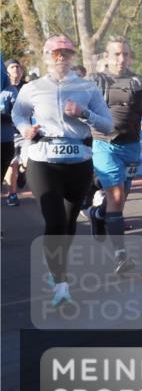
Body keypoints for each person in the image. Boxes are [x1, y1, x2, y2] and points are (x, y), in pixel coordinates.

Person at [12, 36, 113, 307]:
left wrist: (85, 114)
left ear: (72, 57)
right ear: (46, 56)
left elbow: (107, 124)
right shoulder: (32, 88)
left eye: (66, 53)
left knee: (69, 224)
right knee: (54, 221)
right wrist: (25, 130)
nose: (61, 58)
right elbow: (18, 114)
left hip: (78, 162)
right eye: (56, 53)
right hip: (43, 159)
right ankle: (60, 283)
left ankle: (57, 269)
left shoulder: (86, 87)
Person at [89, 36, 142, 274]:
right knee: (117, 197)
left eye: (125, 54)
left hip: (132, 146)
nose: (121, 58)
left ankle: (98, 213)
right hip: (104, 144)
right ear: (106, 57)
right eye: (116, 54)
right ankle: (120, 255)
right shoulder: (96, 80)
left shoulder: (139, 80)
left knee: (120, 199)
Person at [2, 59, 25, 206]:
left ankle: (23, 173)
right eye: (12, 66)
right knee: (13, 164)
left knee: (19, 164)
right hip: (9, 133)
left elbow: (21, 112)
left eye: (18, 66)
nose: (16, 69)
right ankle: (12, 192)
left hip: (20, 132)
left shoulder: (26, 87)